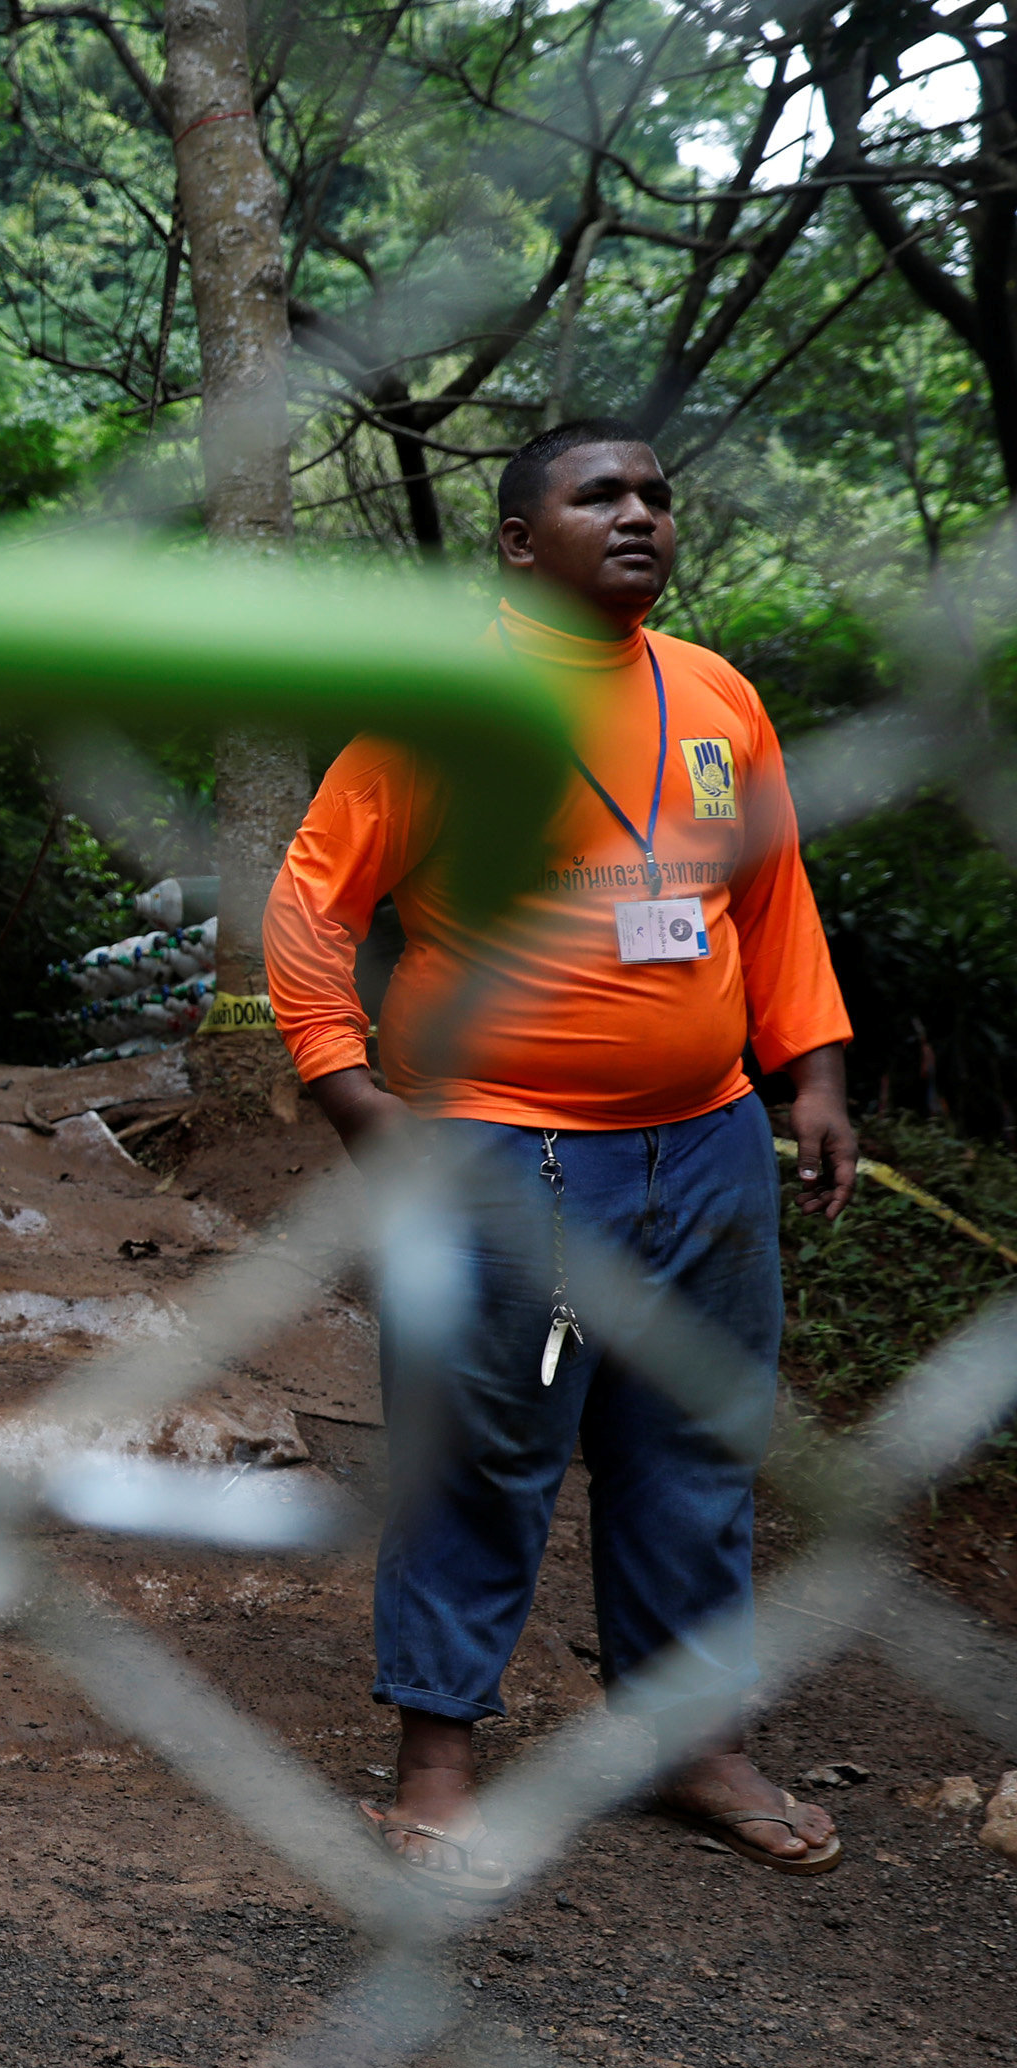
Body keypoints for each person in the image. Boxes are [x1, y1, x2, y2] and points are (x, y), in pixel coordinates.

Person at [263, 417, 857, 1894]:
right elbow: (313, 904)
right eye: (602, 496)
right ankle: (436, 1762)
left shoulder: (715, 696)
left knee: (697, 1446)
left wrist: (814, 1072)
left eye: (656, 493)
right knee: (483, 1447)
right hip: (504, 1153)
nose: (641, 513)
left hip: (709, 1145)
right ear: (520, 542)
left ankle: (693, 1741)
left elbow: (771, 897)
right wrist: (351, 1095)